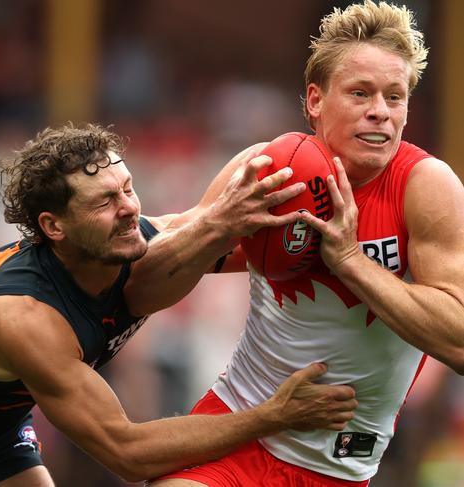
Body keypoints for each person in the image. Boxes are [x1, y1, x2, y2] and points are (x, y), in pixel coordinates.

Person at [0, 124, 358, 487]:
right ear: (54, 227)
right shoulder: (27, 317)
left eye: (128, 188)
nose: (128, 210)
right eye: (104, 201)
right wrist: (272, 417)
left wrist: (354, 254)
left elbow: (246, 246)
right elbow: (127, 452)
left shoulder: (136, 242)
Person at [146, 1, 464, 486]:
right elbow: (178, 239)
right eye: (360, 93)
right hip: (236, 429)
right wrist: (205, 227)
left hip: (340, 466)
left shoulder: (425, 186)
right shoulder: (271, 169)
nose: (380, 112)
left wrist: (351, 262)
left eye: (394, 97)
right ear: (315, 100)